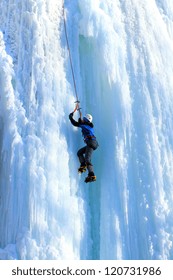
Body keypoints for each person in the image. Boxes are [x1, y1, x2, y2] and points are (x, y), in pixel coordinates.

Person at [69, 106, 99, 183]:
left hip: (91, 143)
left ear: (87, 120)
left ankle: (92, 175)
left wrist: (71, 117)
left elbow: (75, 123)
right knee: (79, 153)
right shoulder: (88, 126)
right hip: (91, 143)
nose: (84, 120)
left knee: (87, 159)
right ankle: (83, 165)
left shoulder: (87, 126)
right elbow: (81, 124)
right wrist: (81, 122)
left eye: (85, 119)